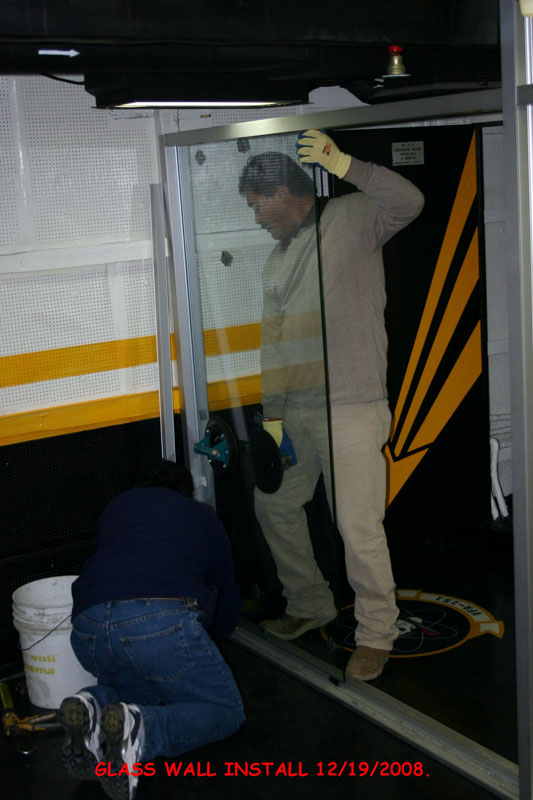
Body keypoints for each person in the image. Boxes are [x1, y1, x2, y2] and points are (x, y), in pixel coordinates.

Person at [239, 130, 424, 681]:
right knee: (273, 505)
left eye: (257, 205)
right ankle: (310, 602)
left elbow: (410, 201)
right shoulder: (276, 261)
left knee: (357, 526)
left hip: (351, 406)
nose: (255, 218)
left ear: (284, 193)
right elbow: (274, 344)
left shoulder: (351, 218)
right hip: (296, 412)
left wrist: (344, 164)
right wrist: (273, 420)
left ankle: (377, 632)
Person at [58, 458, 244, 800]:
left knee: (134, 695)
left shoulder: (116, 510)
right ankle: (143, 732)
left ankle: (91, 707)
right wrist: (215, 639)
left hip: (88, 627)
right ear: (185, 491)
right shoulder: (201, 515)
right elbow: (225, 587)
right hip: (157, 624)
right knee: (226, 711)